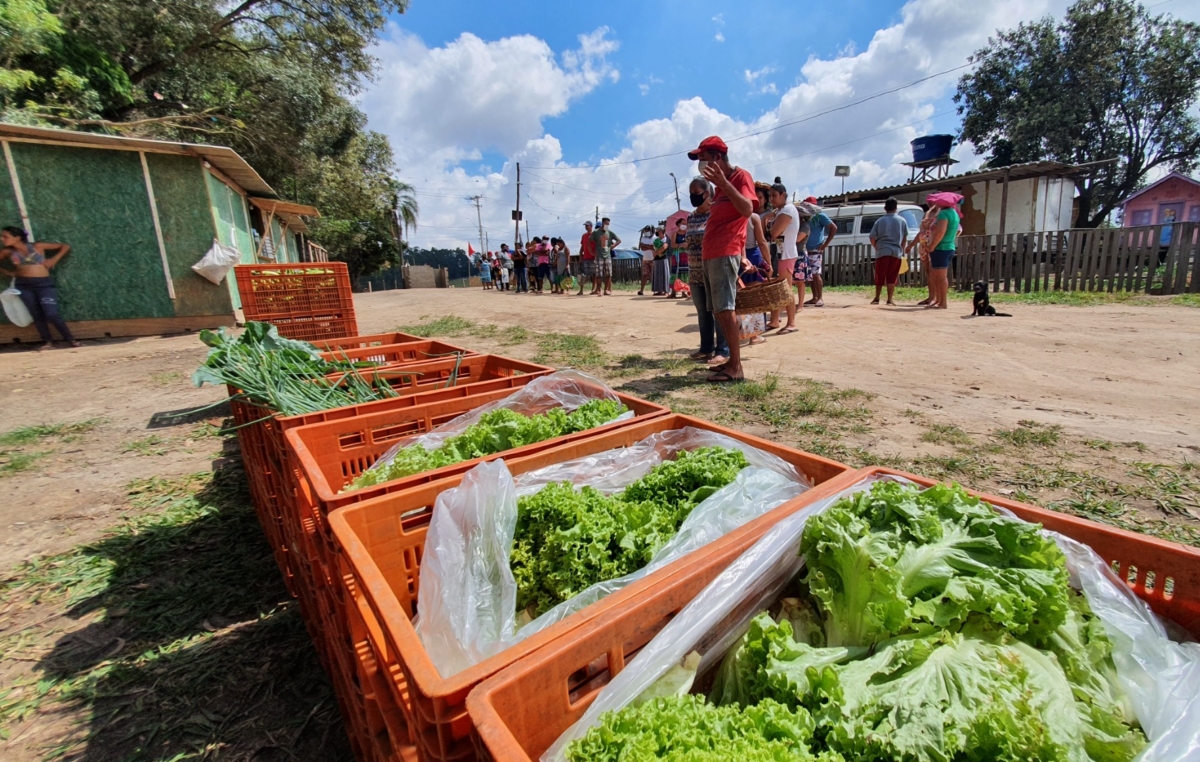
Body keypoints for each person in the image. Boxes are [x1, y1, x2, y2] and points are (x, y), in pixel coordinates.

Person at [690, 135, 758, 383]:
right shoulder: (720, 187)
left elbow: (748, 209)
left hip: (724, 251)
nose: (701, 165)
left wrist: (724, 183)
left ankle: (736, 367)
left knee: (725, 310)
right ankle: (731, 362)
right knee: (719, 310)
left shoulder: (740, 177)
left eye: (704, 159)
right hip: (712, 253)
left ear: (717, 158)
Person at [0, 226, 80, 348]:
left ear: (17, 237)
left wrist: (54, 259)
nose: (2, 239)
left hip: (43, 284)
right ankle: (48, 341)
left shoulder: (37, 246)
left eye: (5, 236)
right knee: (36, 314)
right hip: (23, 285)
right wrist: (8, 272)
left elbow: (65, 246)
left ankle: (71, 340)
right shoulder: (8, 252)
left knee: (51, 313)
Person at [685, 177, 729, 364]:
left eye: (697, 193)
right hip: (695, 271)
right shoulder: (691, 217)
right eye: (691, 192)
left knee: (718, 310)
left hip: (714, 270)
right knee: (702, 312)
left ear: (708, 193)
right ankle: (706, 349)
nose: (693, 196)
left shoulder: (716, 214)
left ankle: (723, 350)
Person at [766, 183, 800, 334]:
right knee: (777, 289)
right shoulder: (780, 210)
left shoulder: (787, 210)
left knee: (785, 289)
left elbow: (773, 233)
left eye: (774, 195)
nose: (771, 199)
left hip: (785, 254)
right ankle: (774, 320)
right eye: (770, 196)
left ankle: (791, 323)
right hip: (780, 253)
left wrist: (766, 221)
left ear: (783, 195)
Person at [869, 197, 910, 306]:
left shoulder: (880, 221)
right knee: (892, 275)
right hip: (896, 251)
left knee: (880, 275)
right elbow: (905, 237)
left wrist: (876, 247)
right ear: (896, 208)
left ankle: (877, 298)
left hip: (882, 250)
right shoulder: (902, 221)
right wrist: (901, 248)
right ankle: (889, 299)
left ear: (885, 208)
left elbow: (872, 237)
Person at [925, 194, 961, 310]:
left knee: (940, 276)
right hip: (949, 246)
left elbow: (940, 232)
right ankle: (939, 300)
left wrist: (931, 246)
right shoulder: (954, 213)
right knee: (937, 275)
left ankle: (943, 302)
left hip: (941, 247)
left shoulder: (944, 214)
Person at [801, 197, 836, 307]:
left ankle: (820, 297)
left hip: (816, 248)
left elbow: (833, 227)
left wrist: (825, 243)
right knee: (810, 275)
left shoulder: (821, 215)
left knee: (816, 274)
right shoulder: (805, 217)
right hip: (806, 248)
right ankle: (815, 297)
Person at [591, 216, 620, 296]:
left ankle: (606, 290)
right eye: (606, 224)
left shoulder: (610, 232)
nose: (607, 225)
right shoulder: (596, 232)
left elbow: (619, 240)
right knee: (599, 274)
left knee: (608, 273)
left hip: (607, 255)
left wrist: (612, 246)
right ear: (602, 223)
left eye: (608, 224)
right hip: (599, 255)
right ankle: (599, 289)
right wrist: (591, 252)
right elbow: (588, 242)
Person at [651, 226, 672, 296]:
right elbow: (653, 248)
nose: (657, 232)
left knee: (664, 274)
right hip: (656, 259)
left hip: (663, 258)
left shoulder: (666, 239)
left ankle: (666, 290)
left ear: (662, 232)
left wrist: (656, 252)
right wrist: (655, 252)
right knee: (657, 274)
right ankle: (659, 290)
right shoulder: (656, 240)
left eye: (658, 231)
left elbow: (664, 247)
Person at [669, 218, 688, 295]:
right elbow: (672, 245)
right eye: (683, 223)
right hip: (677, 255)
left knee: (685, 272)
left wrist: (687, 245)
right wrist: (680, 245)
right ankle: (673, 292)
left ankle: (684, 291)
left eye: (685, 224)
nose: (684, 225)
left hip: (685, 255)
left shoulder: (687, 233)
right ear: (678, 224)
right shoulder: (675, 234)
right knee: (675, 271)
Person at [578, 221, 597, 295]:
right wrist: (580, 255)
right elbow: (582, 246)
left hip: (592, 257)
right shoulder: (584, 236)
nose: (586, 227)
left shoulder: (594, 235)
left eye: (587, 225)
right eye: (585, 225)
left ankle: (593, 289)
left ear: (591, 226)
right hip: (585, 257)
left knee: (594, 274)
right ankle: (581, 290)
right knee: (583, 274)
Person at [637, 224, 655, 296]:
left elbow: (653, 247)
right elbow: (642, 247)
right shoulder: (643, 238)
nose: (646, 232)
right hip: (645, 258)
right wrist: (649, 247)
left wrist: (646, 246)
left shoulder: (655, 238)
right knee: (645, 275)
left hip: (653, 258)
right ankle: (641, 290)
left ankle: (655, 289)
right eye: (645, 231)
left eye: (648, 230)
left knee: (653, 275)